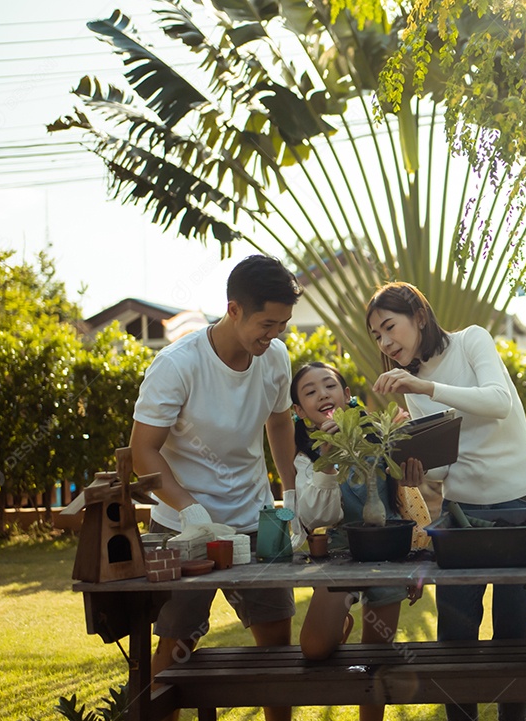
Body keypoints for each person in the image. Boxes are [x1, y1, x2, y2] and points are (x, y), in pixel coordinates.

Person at [366, 281, 526, 721]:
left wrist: (427, 389)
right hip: (461, 510)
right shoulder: (413, 385)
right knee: (455, 634)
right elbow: (446, 464)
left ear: (419, 316)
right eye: (377, 336)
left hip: (518, 503)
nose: (386, 343)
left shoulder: (471, 341)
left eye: (390, 327)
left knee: (514, 634)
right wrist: (420, 471)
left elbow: (498, 402)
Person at [130, 254, 302, 721]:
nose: (275, 335)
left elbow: (280, 423)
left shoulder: (275, 358)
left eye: (283, 324)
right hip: (184, 531)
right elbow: (144, 450)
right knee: (175, 649)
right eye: (267, 323)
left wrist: (292, 492)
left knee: (276, 649)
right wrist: (189, 511)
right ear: (233, 310)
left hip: (256, 524)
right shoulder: (177, 365)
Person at [289, 361, 426, 721]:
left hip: (388, 551)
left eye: (329, 386)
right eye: (310, 391)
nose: (322, 394)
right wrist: (327, 461)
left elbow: (407, 502)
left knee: (376, 658)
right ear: (300, 412)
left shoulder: (379, 440)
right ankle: (341, 621)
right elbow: (317, 517)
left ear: (347, 396)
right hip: (340, 555)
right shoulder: (307, 460)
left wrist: (416, 567)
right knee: (314, 648)